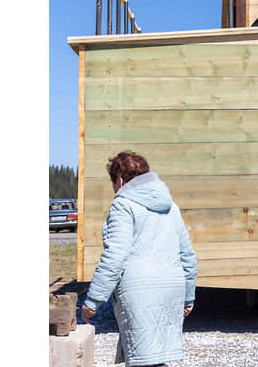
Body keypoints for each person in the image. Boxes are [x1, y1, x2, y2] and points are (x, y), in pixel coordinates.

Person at [81, 151, 198, 367]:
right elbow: (188, 256)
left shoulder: (123, 205)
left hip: (140, 291)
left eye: (114, 183)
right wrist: (188, 297)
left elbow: (115, 255)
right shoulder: (172, 207)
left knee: (143, 359)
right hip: (172, 287)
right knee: (155, 357)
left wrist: (93, 300)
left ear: (121, 180)